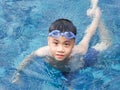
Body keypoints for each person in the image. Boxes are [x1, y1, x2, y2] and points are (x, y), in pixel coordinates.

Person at [12, 7, 111, 83]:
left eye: (66, 44)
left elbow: (89, 34)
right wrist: (18, 73)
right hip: (59, 70)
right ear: (48, 41)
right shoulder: (42, 51)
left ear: (73, 44)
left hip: (78, 66)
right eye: (55, 43)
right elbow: (28, 59)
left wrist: (97, 18)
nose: (60, 49)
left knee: (106, 43)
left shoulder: (80, 50)